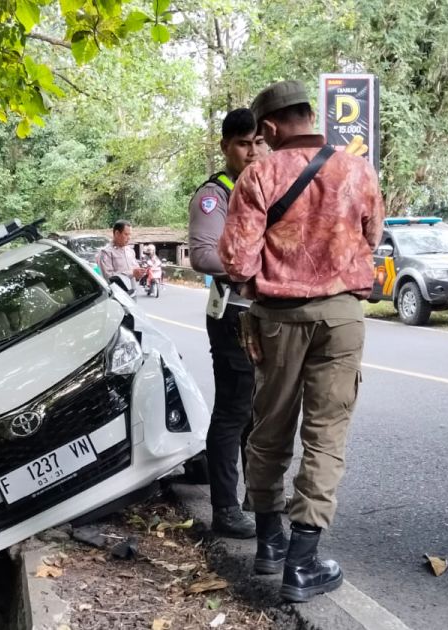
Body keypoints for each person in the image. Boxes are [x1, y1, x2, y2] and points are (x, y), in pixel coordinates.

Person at [219, 81, 384, 602]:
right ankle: (303, 561)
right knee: (326, 435)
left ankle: (269, 542)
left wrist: (262, 287)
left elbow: (236, 260)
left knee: (268, 428)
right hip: (340, 318)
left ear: (267, 127)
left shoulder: (258, 174)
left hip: (276, 320)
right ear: (312, 116)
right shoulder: (358, 169)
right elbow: (372, 237)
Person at [186, 108, 269, 539]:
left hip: (268, 314)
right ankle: (224, 508)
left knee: (260, 412)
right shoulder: (214, 196)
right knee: (234, 411)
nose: (251, 152)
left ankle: (259, 498)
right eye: (242, 144)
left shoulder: (268, 187)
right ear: (225, 147)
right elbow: (203, 255)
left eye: (258, 142)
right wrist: (262, 265)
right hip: (233, 314)